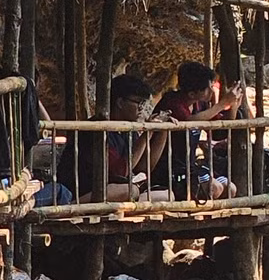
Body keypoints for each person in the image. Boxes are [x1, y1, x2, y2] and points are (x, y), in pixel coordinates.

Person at [153, 62, 239, 199]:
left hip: (190, 166)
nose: (211, 92)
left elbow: (219, 131)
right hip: (170, 169)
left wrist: (233, 104)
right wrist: (222, 104)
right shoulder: (172, 102)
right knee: (214, 188)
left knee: (230, 188)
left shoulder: (200, 104)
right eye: (208, 88)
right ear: (192, 93)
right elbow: (188, 121)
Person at [83, 74, 173, 202]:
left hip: (121, 189)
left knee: (167, 195)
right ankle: (73, 204)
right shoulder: (97, 130)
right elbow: (121, 171)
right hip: (89, 190)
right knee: (130, 191)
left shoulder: (128, 129)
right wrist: (147, 132)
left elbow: (143, 167)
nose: (141, 109)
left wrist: (163, 131)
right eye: (138, 103)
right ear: (120, 103)